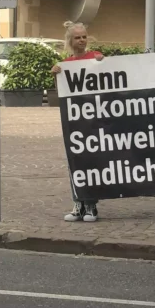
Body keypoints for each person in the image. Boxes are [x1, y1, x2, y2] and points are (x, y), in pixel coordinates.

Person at [52, 22, 104, 223]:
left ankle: (91, 204)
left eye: (84, 37)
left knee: (91, 162)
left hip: (95, 120)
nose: (81, 40)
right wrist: (57, 75)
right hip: (76, 121)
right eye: (77, 37)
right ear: (70, 41)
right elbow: (62, 95)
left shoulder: (96, 58)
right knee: (75, 162)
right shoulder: (66, 64)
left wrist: (103, 63)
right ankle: (78, 203)